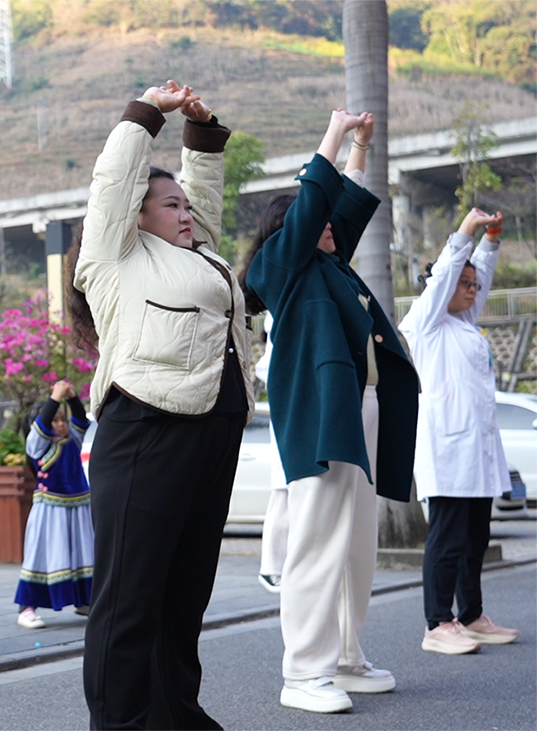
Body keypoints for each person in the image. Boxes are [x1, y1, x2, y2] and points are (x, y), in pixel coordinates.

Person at [66, 81, 254, 730]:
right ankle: (118, 722)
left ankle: (175, 714)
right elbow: (114, 182)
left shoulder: (197, 256)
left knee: (183, 594)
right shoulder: (114, 256)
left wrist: (201, 133)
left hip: (212, 430)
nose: (185, 214)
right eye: (169, 204)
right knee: (130, 601)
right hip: (147, 430)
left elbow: (203, 201)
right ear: (136, 215)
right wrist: (147, 115)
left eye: (184, 205)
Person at [242, 110, 420, 714]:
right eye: (314, 220)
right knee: (318, 543)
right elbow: (319, 200)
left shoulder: (332, 267)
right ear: (289, 228)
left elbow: (345, 205)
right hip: (320, 418)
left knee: (355, 544)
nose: (329, 226)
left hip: (357, 412)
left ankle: (345, 656)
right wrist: (335, 133)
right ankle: (303, 672)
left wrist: (361, 151)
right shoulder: (282, 271)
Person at [399, 208, 520, 654]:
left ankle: (470, 615)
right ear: (444, 287)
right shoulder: (425, 323)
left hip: (478, 451)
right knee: (447, 540)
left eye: (474, 286)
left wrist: (492, 238)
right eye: (463, 285)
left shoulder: (466, 326)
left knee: (475, 539)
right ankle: (437, 623)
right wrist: (465, 233)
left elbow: (480, 274)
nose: (472, 290)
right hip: (447, 452)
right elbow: (449, 273)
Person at [14, 379, 93, 629]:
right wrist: (55, 397)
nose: (60, 424)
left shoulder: (74, 440)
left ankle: (85, 601)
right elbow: (42, 423)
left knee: (84, 554)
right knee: (43, 557)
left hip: (79, 505)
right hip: (50, 509)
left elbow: (80, 418)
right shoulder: (37, 445)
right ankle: (27, 608)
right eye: (55, 420)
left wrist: (71, 397)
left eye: (62, 420)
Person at [255, 313, 288, 595]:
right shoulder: (278, 315)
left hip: (290, 403)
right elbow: (267, 367)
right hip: (287, 406)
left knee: (287, 491)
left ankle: (277, 565)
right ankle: (272, 566)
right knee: (283, 491)